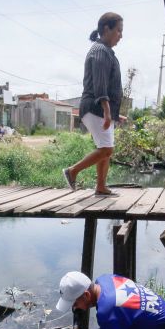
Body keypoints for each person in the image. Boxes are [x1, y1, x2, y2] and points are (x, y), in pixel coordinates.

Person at [62, 12, 125, 197]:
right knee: (106, 148)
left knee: (105, 148)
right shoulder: (100, 51)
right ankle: (72, 171)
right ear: (107, 28)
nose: (121, 35)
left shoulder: (106, 51)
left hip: (102, 109)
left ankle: (101, 187)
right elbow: (100, 84)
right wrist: (107, 111)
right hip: (95, 107)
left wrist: (114, 113)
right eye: (118, 30)